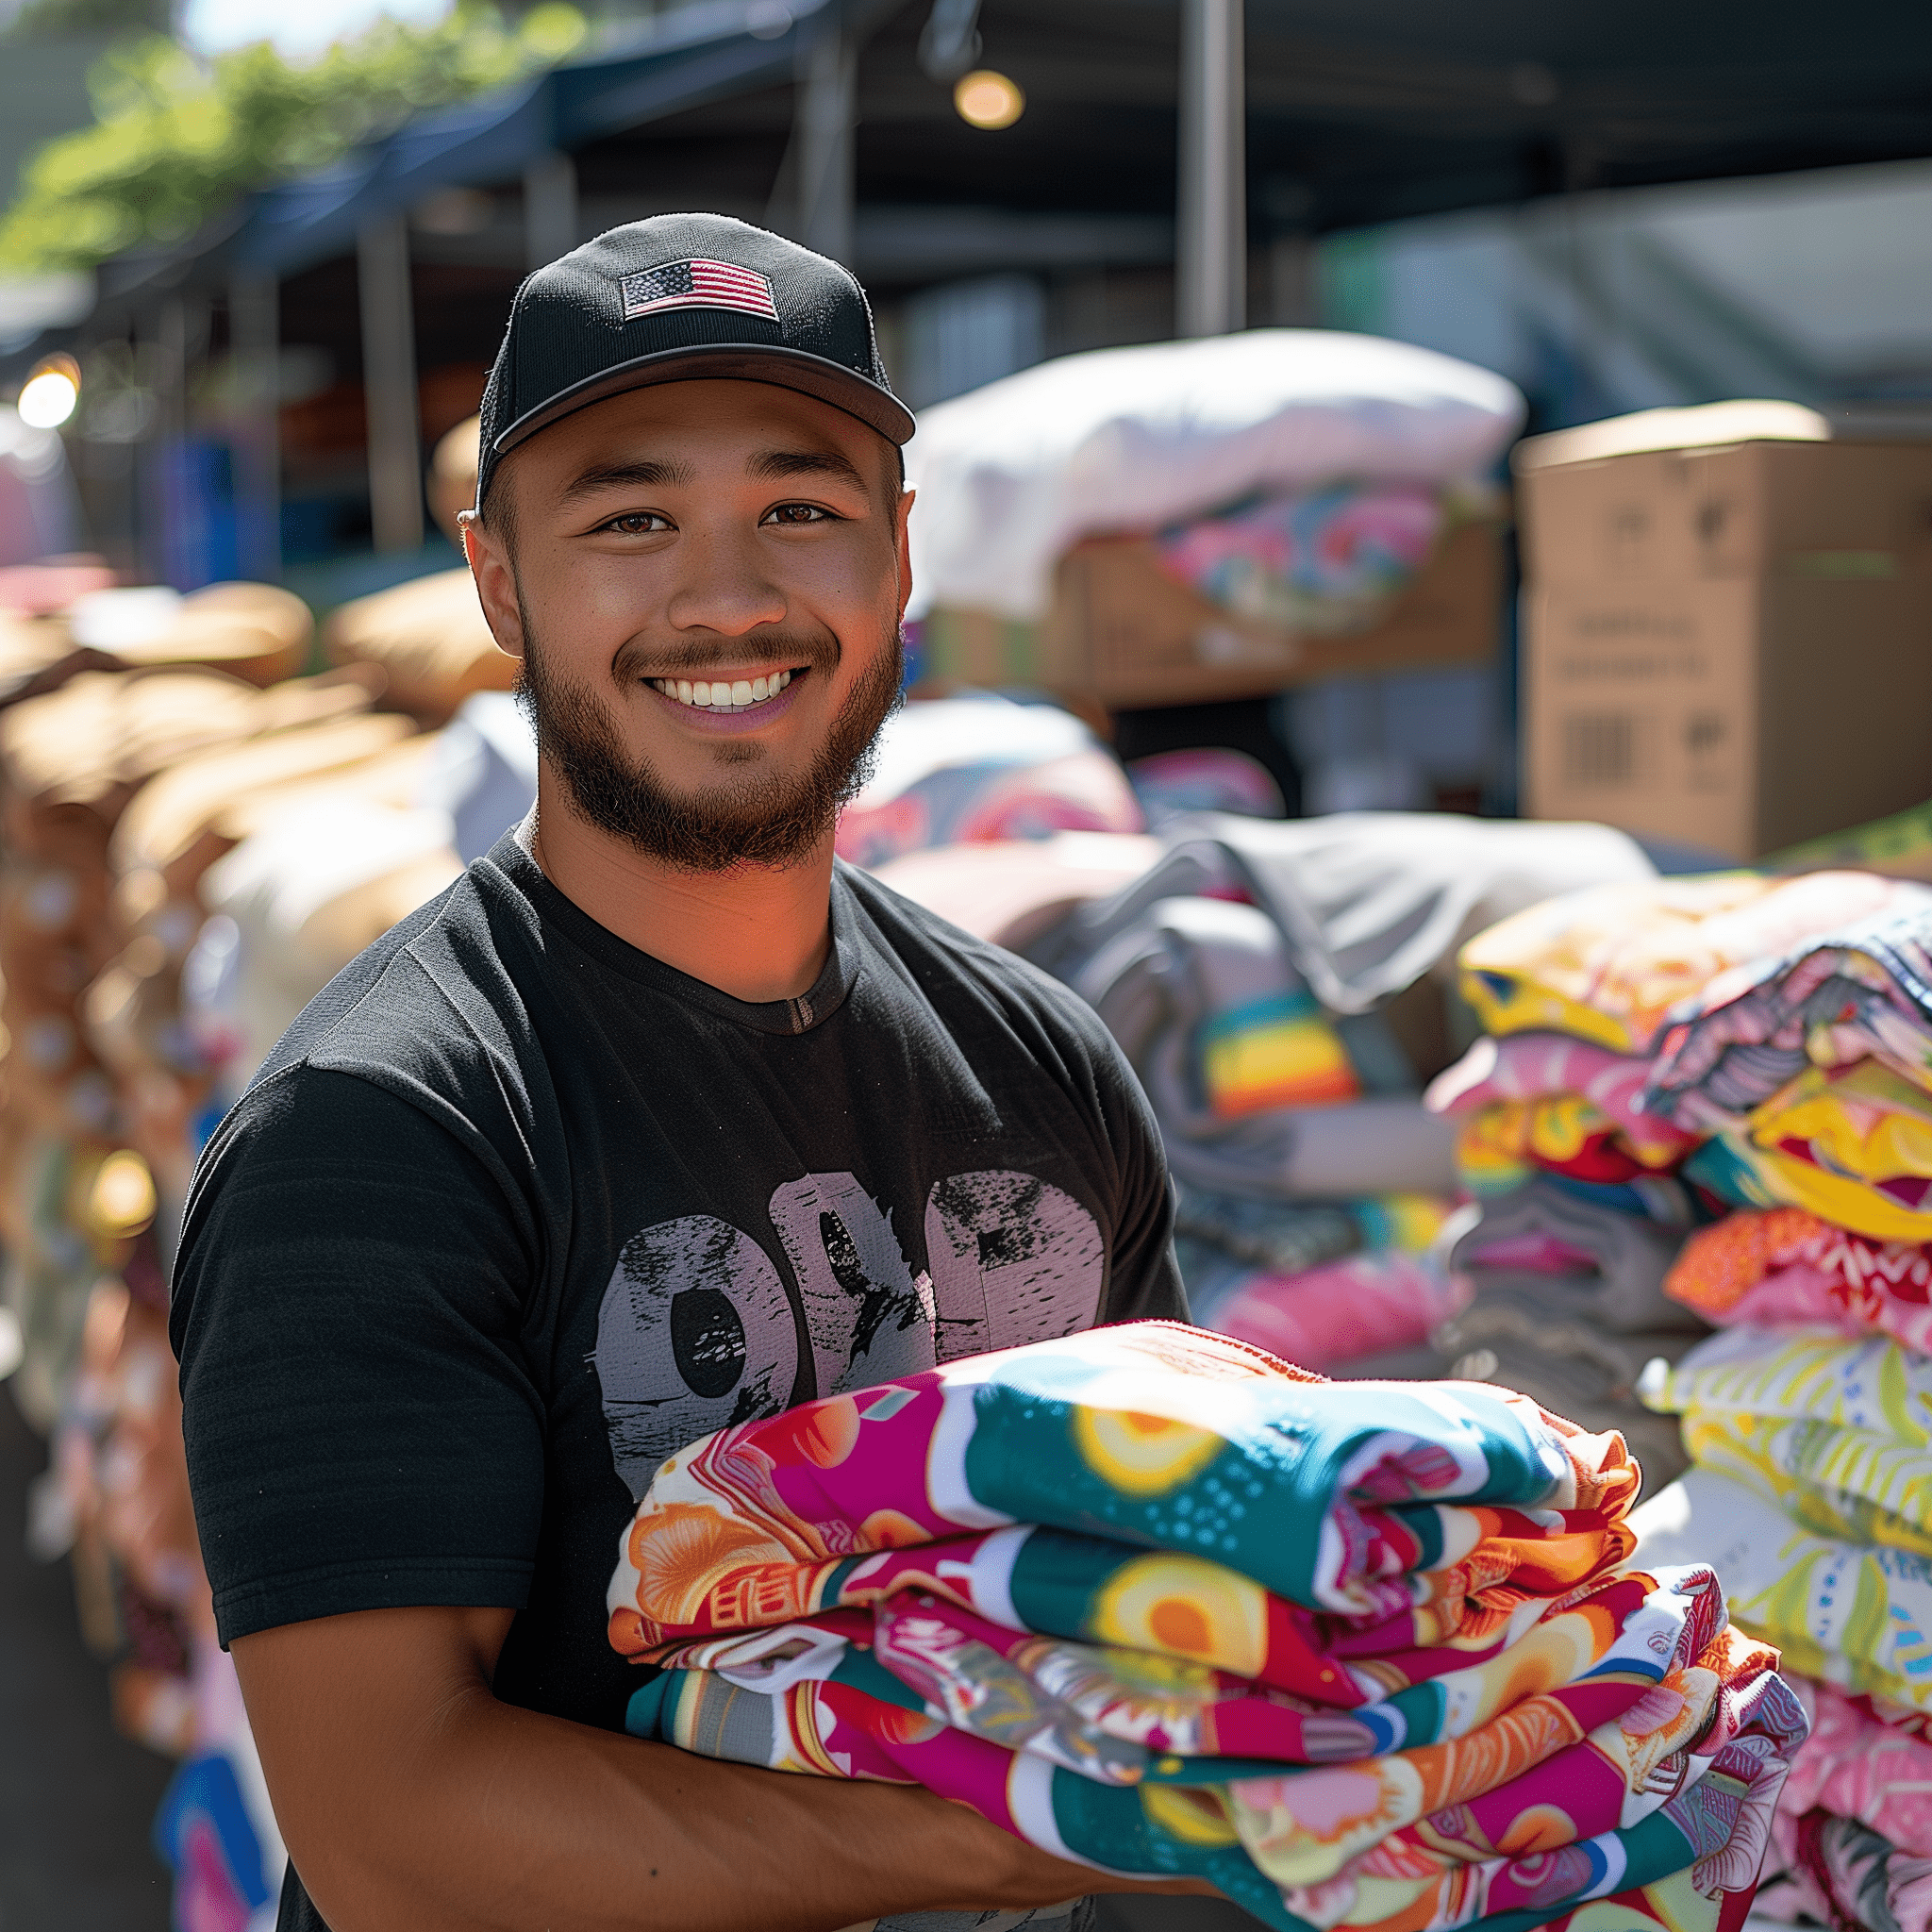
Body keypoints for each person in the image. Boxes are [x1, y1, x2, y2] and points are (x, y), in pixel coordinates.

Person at [171, 213, 1198, 1932]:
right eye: (630, 520)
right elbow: (390, 1835)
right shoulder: (379, 1131)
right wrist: (1015, 1840)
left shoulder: (1044, 1064)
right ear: (499, 579)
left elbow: (1160, 1573)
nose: (727, 598)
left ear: (898, 557)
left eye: (799, 510)